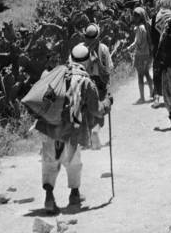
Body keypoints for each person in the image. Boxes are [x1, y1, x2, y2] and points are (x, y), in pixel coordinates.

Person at [35, 44, 112, 214]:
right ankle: (74, 195)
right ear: (87, 61)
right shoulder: (86, 81)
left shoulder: (54, 74)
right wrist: (107, 103)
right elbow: (96, 109)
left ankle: (49, 197)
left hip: (49, 128)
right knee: (73, 162)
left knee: (49, 161)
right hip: (71, 130)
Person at [82, 23, 113, 149]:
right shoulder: (104, 49)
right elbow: (109, 68)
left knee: (89, 110)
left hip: (86, 83)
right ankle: (95, 131)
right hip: (100, 83)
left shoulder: (82, 49)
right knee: (102, 109)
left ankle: (89, 139)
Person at [152, 0, 171, 108]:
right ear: (170, 3)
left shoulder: (155, 16)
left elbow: (152, 35)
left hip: (158, 48)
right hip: (170, 48)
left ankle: (156, 96)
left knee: (157, 71)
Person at [126, 7, 154, 103]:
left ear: (139, 17)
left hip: (140, 55)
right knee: (146, 73)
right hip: (146, 54)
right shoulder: (145, 26)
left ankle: (142, 97)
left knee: (140, 76)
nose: (133, 18)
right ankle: (152, 92)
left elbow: (137, 42)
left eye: (135, 16)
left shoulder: (140, 28)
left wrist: (129, 48)